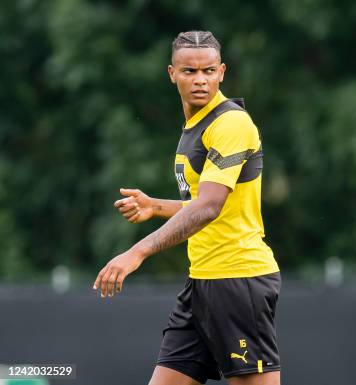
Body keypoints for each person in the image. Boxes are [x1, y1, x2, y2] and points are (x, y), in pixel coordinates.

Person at [93, 30, 281, 385]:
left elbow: (209, 207)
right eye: (190, 71)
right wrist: (156, 206)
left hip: (239, 281)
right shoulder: (196, 124)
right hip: (202, 283)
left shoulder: (231, 123)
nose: (200, 80)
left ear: (222, 72)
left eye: (208, 71)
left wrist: (138, 252)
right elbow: (202, 202)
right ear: (172, 73)